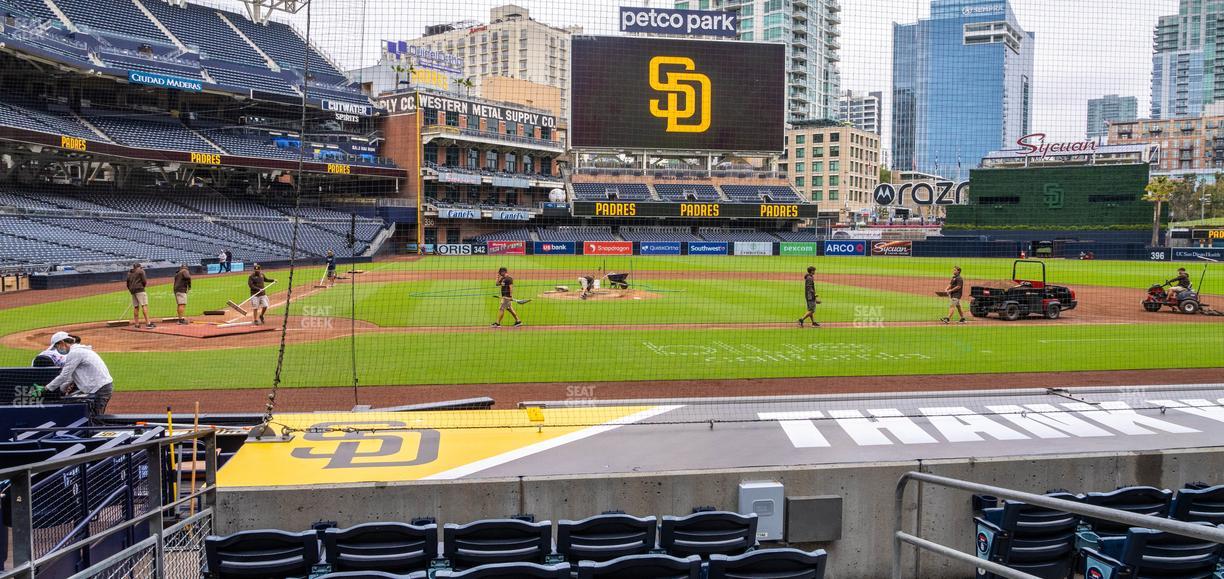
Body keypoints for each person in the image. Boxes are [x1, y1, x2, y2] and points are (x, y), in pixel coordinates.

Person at [43, 334, 114, 422]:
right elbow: (70, 377)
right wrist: (61, 390)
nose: (57, 349)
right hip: (101, 387)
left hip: (99, 388)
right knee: (92, 416)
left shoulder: (75, 353)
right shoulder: (80, 350)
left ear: (62, 343)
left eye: (57, 346)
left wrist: (46, 388)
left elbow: (64, 375)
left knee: (95, 419)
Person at [126, 263, 154, 329]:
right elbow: (144, 281)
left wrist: (131, 290)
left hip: (132, 291)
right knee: (144, 305)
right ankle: (148, 323)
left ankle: (137, 324)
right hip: (140, 290)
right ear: (139, 267)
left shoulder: (129, 273)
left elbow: (127, 283)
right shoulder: (141, 271)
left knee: (136, 307)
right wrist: (142, 287)